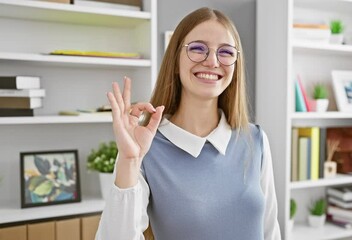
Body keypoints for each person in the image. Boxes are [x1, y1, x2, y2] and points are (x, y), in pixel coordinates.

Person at [96, 7, 282, 240]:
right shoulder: (144, 146)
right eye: (197, 49)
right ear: (174, 60)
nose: (212, 61)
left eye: (225, 52)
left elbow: (270, 232)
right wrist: (129, 160)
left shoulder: (255, 140)